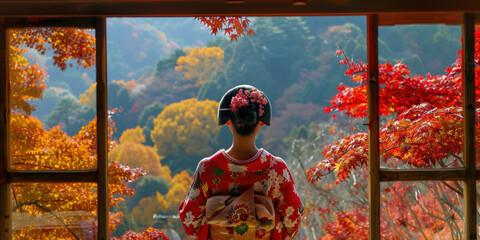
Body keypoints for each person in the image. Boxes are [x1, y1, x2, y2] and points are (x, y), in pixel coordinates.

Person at [179, 85, 304, 240]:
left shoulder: (208, 168)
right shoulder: (276, 169)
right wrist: (262, 217)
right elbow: (292, 222)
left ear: (228, 122)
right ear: (260, 124)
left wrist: (221, 216)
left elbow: (190, 221)